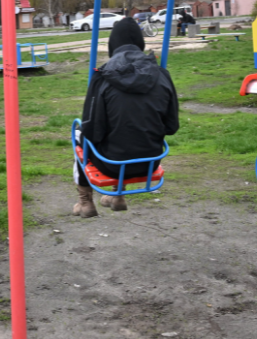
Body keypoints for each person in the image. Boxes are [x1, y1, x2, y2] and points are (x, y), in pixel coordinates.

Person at [74, 17, 179, 217]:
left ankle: (85, 202)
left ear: (112, 45)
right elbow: (171, 126)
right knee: (122, 134)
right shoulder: (162, 75)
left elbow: (93, 132)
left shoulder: (102, 77)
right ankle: (117, 196)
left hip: (112, 165)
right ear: (141, 43)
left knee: (78, 133)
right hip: (150, 163)